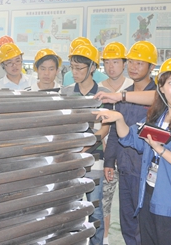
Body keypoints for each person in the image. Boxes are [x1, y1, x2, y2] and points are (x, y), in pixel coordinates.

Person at [94, 58, 171, 245]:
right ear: (161, 88)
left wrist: (161, 150)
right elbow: (131, 138)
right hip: (149, 198)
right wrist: (118, 119)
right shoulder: (156, 119)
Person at [99, 40, 158, 245]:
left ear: (151, 67)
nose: (133, 67)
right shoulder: (123, 96)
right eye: (131, 62)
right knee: (127, 224)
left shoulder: (158, 96)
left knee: (145, 225)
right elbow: (115, 130)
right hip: (125, 169)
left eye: (140, 63)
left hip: (146, 172)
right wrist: (109, 161)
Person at [61, 43, 110, 245]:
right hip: (70, 160)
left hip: (94, 159)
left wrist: (85, 147)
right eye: (72, 67)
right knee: (69, 208)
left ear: (92, 68)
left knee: (95, 208)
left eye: (79, 68)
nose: (75, 72)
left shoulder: (103, 93)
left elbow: (105, 128)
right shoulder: (65, 92)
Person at [98, 41, 133, 245]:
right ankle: (105, 240)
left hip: (128, 155)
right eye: (107, 62)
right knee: (105, 202)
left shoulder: (132, 88)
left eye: (116, 62)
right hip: (106, 156)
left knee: (128, 206)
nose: (111, 66)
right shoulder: (99, 89)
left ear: (124, 63)